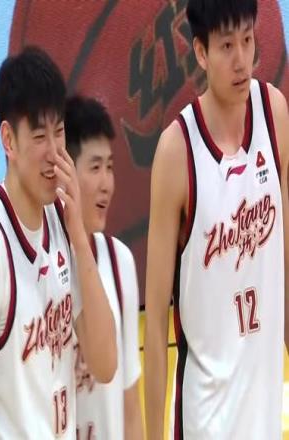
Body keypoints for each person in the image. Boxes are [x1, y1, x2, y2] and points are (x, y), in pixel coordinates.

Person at [0, 46, 116, 439]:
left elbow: (106, 363)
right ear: (8, 140)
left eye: (59, 132)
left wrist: (80, 239)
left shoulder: (62, 221)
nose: (54, 152)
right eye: (40, 136)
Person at [144, 0, 289, 438]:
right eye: (227, 46)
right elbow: (155, 319)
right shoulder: (176, 151)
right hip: (206, 420)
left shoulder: (274, 112)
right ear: (201, 52)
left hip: (265, 413)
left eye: (247, 40)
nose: (242, 59)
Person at [65, 95, 144, 440]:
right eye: (95, 168)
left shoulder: (119, 261)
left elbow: (131, 407)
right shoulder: (40, 265)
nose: (106, 184)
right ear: (64, 173)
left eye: (109, 167)